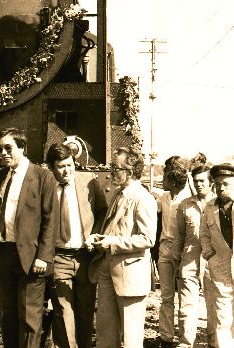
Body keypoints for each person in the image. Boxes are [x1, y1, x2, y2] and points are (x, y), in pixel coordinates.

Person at [0, 128, 56, 348]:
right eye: (0, 149)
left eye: (8, 148)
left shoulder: (42, 176)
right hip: (4, 254)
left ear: (22, 148)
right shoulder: (1, 175)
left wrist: (43, 257)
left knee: (30, 317)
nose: (3, 153)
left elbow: (50, 220)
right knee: (7, 316)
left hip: (30, 257)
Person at [89, 147, 157, 348]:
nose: (111, 172)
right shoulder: (119, 194)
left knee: (130, 338)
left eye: (115, 167)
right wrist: (101, 237)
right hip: (108, 270)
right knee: (105, 333)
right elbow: (117, 228)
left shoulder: (143, 198)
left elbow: (147, 239)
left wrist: (112, 242)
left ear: (129, 170)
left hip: (130, 277)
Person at [42, 143, 99, 348]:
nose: (67, 170)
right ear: (51, 168)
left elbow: (101, 213)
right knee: (63, 311)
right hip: (58, 258)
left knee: (85, 311)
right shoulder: (46, 186)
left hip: (85, 257)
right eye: (61, 166)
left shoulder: (89, 183)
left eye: (70, 165)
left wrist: (94, 237)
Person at [199, 162, 234, 347]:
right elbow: (204, 233)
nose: (220, 188)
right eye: (217, 184)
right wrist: (209, 254)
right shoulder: (209, 206)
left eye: (225, 184)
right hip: (221, 269)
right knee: (223, 321)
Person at [172, 163, 216, 348]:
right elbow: (180, 235)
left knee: (213, 305)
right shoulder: (185, 205)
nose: (198, 185)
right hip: (189, 258)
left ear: (211, 183)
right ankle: (186, 342)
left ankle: (214, 342)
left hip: (213, 260)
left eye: (202, 181)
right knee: (187, 304)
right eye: (195, 181)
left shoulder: (218, 203)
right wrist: (176, 259)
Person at [157, 162, 192, 347]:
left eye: (164, 179)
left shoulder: (187, 200)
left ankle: (185, 339)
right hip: (164, 248)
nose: (162, 181)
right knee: (166, 295)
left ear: (173, 181)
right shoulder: (163, 198)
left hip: (182, 250)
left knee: (185, 297)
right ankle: (166, 336)